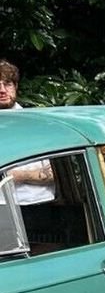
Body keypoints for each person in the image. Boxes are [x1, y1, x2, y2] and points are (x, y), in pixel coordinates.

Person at [0, 59, 54, 203]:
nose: (2, 90)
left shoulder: (37, 123)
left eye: (7, 84)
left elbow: (59, 173)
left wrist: (18, 176)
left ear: (16, 86)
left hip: (38, 203)